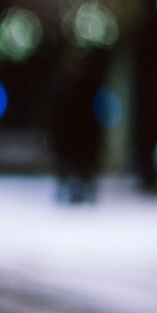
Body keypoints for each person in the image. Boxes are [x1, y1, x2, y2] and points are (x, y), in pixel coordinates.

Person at [48, 49, 105, 204]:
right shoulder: (63, 89)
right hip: (69, 137)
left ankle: (82, 188)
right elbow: (57, 116)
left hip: (83, 136)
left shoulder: (88, 89)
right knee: (68, 164)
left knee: (82, 164)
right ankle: (68, 187)